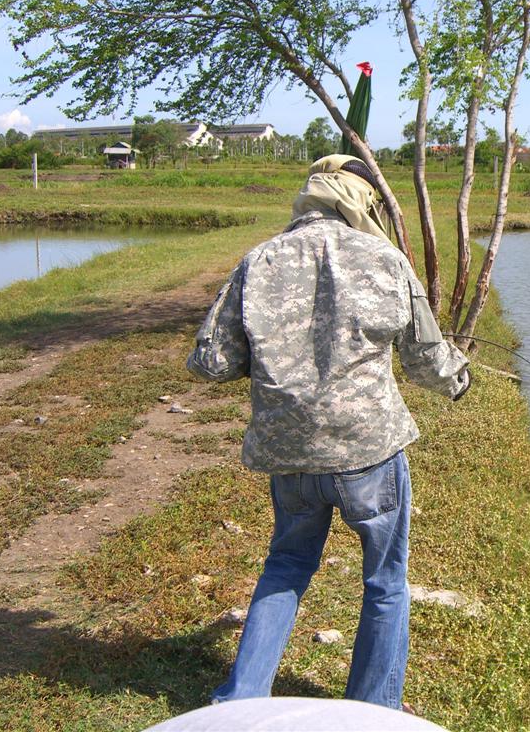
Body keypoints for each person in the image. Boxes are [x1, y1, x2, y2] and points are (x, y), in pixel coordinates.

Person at [186, 155, 471, 711]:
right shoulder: (384, 260)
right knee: (385, 581)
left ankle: (240, 701)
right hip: (369, 452)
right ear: (361, 202)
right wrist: (459, 379)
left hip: (288, 454)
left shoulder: (258, 260)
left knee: (287, 564)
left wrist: (271, 357)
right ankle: (373, 710)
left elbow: (211, 362)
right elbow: (424, 356)